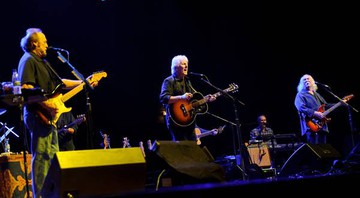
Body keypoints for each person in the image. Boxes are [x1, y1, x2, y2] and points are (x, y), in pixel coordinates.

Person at [18, 28, 99, 197]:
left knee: (53, 156)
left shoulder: (44, 62)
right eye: (44, 41)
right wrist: (46, 104)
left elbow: (60, 84)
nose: (47, 45)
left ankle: (52, 193)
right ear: (34, 43)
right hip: (37, 114)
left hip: (49, 117)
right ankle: (40, 195)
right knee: (41, 157)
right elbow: (26, 88)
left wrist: (83, 82)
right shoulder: (28, 60)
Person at [159, 55, 220, 142]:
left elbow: (194, 98)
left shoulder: (187, 81)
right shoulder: (169, 81)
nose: (186, 66)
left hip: (189, 122)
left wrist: (207, 99)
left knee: (193, 147)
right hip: (175, 122)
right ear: (176, 67)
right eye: (183, 64)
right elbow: (164, 98)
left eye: (187, 64)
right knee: (181, 147)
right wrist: (181, 97)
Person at [294, 74, 351, 144]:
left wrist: (340, 104)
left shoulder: (317, 94)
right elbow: (300, 107)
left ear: (313, 81)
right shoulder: (300, 94)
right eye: (304, 80)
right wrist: (315, 113)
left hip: (322, 126)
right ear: (301, 83)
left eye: (308, 79)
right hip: (310, 126)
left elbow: (325, 106)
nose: (306, 80)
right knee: (314, 151)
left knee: (323, 150)